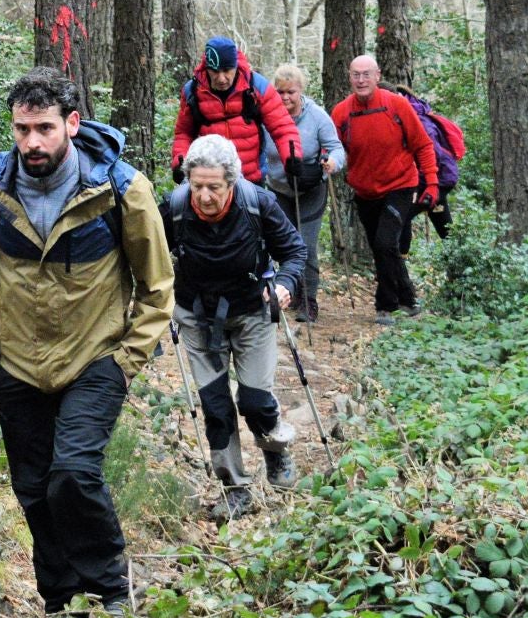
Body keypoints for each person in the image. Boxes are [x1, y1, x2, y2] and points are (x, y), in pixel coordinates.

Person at [0, 67, 175, 618]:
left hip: (94, 359)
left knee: (73, 476)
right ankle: (61, 603)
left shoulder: (123, 189)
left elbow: (157, 285)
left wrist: (127, 359)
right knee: (33, 488)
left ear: (72, 126)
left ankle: (112, 588)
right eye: (22, 129)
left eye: (45, 128)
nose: (32, 142)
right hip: (16, 365)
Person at [163, 135, 309, 520]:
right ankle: (234, 487)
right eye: (197, 186)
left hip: (251, 311)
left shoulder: (258, 203)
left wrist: (285, 284)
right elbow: (149, 253)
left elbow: (294, 251)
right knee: (215, 406)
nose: (205, 196)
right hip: (195, 315)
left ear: (232, 182)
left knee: (255, 401)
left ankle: (275, 453)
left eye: (214, 187)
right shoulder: (175, 207)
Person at [331, 54, 439, 325]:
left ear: (378, 76)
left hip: (400, 185)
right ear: (350, 77)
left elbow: (423, 146)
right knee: (383, 248)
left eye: (366, 74)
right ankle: (410, 300)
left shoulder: (397, 106)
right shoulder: (342, 112)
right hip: (365, 192)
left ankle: (385, 305)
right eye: (356, 74)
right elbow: (333, 147)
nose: (361, 79)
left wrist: (432, 182)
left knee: (384, 242)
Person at [259, 62, 344, 322]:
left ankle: (309, 299)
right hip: (278, 189)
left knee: (305, 244)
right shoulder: (266, 117)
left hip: (311, 189)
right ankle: (287, 292)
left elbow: (336, 148)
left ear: (301, 91)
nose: (285, 97)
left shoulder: (317, 117)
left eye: (291, 92)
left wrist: (331, 162)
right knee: (278, 243)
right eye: (281, 92)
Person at [170, 37, 302, 186]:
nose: (221, 78)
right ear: (207, 68)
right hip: (210, 181)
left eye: (227, 71)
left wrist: (292, 157)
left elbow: (282, 126)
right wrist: (179, 161)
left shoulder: (256, 86)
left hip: (251, 179)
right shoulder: (193, 91)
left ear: (236, 65)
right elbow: (184, 133)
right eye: (215, 71)